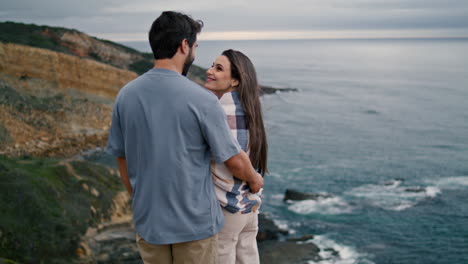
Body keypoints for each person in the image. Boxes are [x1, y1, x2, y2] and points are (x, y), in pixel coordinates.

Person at [106, 12, 263, 264]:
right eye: (195, 47)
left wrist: (140, 200)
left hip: (149, 221)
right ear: (184, 45)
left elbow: (122, 157)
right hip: (195, 226)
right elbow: (233, 159)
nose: (195, 55)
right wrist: (255, 179)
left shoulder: (126, 95)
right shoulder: (202, 99)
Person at [204, 49, 268, 264]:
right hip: (248, 207)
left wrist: (253, 179)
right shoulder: (249, 109)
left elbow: (234, 158)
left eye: (218, 68)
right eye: (213, 65)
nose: (209, 71)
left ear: (234, 80)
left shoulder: (224, 109)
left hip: (228, 208)